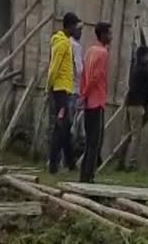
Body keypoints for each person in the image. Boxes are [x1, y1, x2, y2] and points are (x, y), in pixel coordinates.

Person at [46, 12, 80, 173]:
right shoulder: (62, 43)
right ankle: (53, 164)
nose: (76, 29)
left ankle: (70, 162)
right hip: (60, 91)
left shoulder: (64, 42)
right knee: (60, 127)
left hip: (64, 90)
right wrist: (49, 87)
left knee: (65, 127)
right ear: (69, 26)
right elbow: (54, 67)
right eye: (75, 26)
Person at [79, 22, 112, 183]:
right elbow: (95, 77)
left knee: (89, 141)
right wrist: (86, 93)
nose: (111, 37)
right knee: (95, 142)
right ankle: (88, 177)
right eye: (109, 34)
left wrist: (82, 95)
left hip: (88, 102)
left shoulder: (90, 50)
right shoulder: (103, 53)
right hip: (97, 101)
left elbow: (84, 74)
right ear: (103, 35)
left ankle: (83, 175)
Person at [118, 45, 148, 171]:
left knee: (126, 134)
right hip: (137, 105)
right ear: (143, 56)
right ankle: (131, 163)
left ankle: (120, 160)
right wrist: (146, 106)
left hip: (129, 103)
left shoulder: (134, 67)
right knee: (135, 136)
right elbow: (147, 90)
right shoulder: (145, 70)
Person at [70, 22, 85, 153]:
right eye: (79, 30)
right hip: (75, 90)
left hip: (65, 88)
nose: (80, 33)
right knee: (75, 125)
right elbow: (80, 70)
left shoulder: (64, 43)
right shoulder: (75, 46)